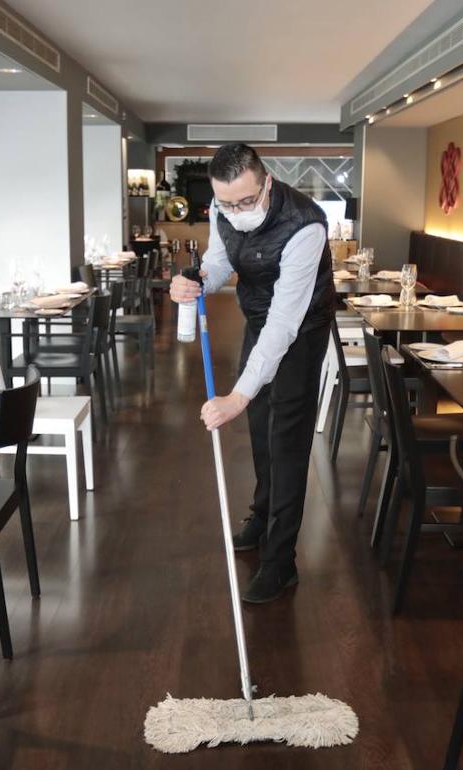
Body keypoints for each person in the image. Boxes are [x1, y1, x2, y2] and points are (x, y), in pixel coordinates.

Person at [170, 143, 334, 604]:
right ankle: (262, 516)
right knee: (260, 428)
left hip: (301, 329)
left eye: (246, 201)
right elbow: (221, 260)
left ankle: (281, 561)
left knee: (286, 437)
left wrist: (234, 397)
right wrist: (199, 279)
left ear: (267, 183)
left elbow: (286, 322)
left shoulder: (306, 225)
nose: (237, 212)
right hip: (259, 320)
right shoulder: (223, 212)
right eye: (226, 204)